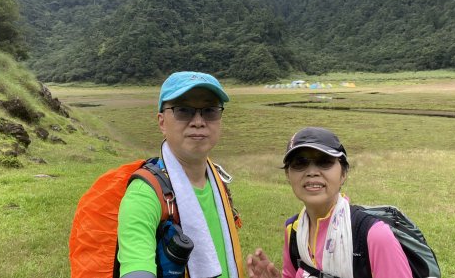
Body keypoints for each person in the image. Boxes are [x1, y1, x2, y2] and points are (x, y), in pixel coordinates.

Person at [117, 71, 244, 278]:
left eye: (210, 110)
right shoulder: (144, 195)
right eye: (183, 110)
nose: (198, 121)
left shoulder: (217, 180)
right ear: (161, 122)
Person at [246, 127, 412, 278]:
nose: (311, 172)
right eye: (300, 163)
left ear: (343, 173)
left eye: (324, 161)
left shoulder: (374, 235)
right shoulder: (293, 230)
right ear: (288, 175)